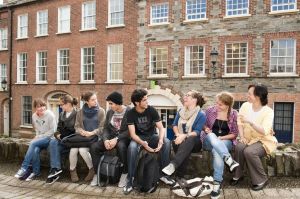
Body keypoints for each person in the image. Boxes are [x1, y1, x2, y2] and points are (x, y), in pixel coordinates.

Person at [123, 89, 171, 194]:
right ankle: (130, 179)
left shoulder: (151, 110)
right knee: (132, 148)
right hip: (139, 138)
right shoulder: (131, 113)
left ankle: (164, 175)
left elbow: (161, 128)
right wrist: (142, 143)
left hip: (152, 136)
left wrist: (161, 140)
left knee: (167, 142)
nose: (147, 102)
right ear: (137, 102)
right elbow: (133, 134)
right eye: (144, 100)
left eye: (146, 99)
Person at [231, 84, 277, 191]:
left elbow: (265, 130)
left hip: (263, 140)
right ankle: (238, 175)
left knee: (249, 152)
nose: (247, 95)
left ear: (258, 96)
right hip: (247, 137)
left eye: (250, 94)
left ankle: (262, 179)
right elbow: (240, 122)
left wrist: (250, 122)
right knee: (239, 147)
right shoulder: (245, 106)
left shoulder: (268, 111)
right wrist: (241, 136)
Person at [201, 92, 239, 199]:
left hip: (225, 141)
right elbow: (202, 123)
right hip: (209, 140)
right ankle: (228, 159)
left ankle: (216, 184)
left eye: (220, 104)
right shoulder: (210, 110)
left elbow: (234, 134)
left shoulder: (234, 114)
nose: (217, 106)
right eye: (217, 103)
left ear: (228, 105)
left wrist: (221, 138)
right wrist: (205, 128)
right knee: (212, 135)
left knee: (217, 151)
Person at [90, 92, 130, 187]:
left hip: (123, 138)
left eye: (111, 103)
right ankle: (97, 173)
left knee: (121, 146)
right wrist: (105, 140)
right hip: (110, 138)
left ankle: (125, 174)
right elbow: (106, 128)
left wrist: (117, 139)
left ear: (118, 103)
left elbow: (129, 131)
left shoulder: (129, 111)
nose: (110, 105)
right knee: (94, 147)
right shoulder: (110, 112)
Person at [162, 90, 206, 178]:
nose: (184, 97)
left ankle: (173, 165)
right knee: (182, 145)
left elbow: (197, 131)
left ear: (195, 100)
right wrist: (178, 135)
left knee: (190, 139)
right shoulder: (181, 111)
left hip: (195, 143)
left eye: (188, 95)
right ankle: (180, 176)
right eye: (185, 95)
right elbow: (174, 125)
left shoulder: (201, 114)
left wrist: (184, 136)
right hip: (179, 140)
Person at [14, 98, 57, 181]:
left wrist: (39, 137)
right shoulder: (34, 116)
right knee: (35, 150)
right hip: (41, 139)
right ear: (35, 108)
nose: (41, 108)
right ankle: (36, 172)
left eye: (43, 106)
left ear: (45, 106)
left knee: (33, 143)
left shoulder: (50, 115)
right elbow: (37, 129)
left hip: (50, 139)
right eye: (38, 106)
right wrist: (37, 136)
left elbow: (53, 131)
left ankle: (23, 168)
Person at [69, 91, 105, 182]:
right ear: (87, 102)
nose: (95, 101)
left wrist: (92, 133)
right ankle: (72, 171)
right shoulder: (80, 112)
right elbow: (76, 126)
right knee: (73, 150)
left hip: (95, 138)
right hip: (82, 138)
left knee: (82, 150)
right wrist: (81, 131)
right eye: (92, 100)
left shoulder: (101, 111)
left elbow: (103, 127)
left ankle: (91, 169)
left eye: (95, 99)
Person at [46, 95, 78, 184]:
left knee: (53, 148)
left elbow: (76, 131)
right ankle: (56, 170)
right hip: (62, 141)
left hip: (72, 141)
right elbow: (58, 129)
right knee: (52, 144)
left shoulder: (77, 114)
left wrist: (63, 135)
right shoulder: (61, 114)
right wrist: (58, 135)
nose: (60, 106)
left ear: (68, 104)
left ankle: (54, 170)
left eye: (62, 104)